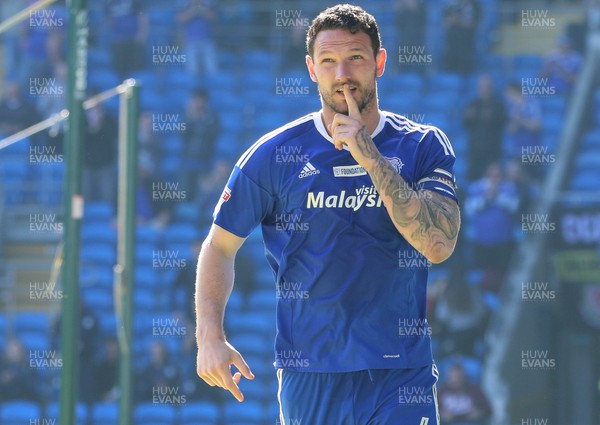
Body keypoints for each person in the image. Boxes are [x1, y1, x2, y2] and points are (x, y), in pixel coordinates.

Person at [194, 5, 461, 424]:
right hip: (310, 373)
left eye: (355, 57)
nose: (343, 74)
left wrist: (368, 154)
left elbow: (438, 245)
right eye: (328, 61)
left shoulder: (422, 145)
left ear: (379, 62)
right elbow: (220, 245)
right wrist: (210, 334)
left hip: (399, 373)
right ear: (311, 69)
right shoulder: (273, 155)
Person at [462, 74, 507, 181]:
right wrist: (468, 117)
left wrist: (493, 117)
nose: (485, 89)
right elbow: (464, 123)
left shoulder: (498, 104)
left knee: (492, 179)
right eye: (482, 86)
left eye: (487, 86)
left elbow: (504, 122)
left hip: (492, 149)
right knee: (473, 178)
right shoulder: (473, 104)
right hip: (475, 149)